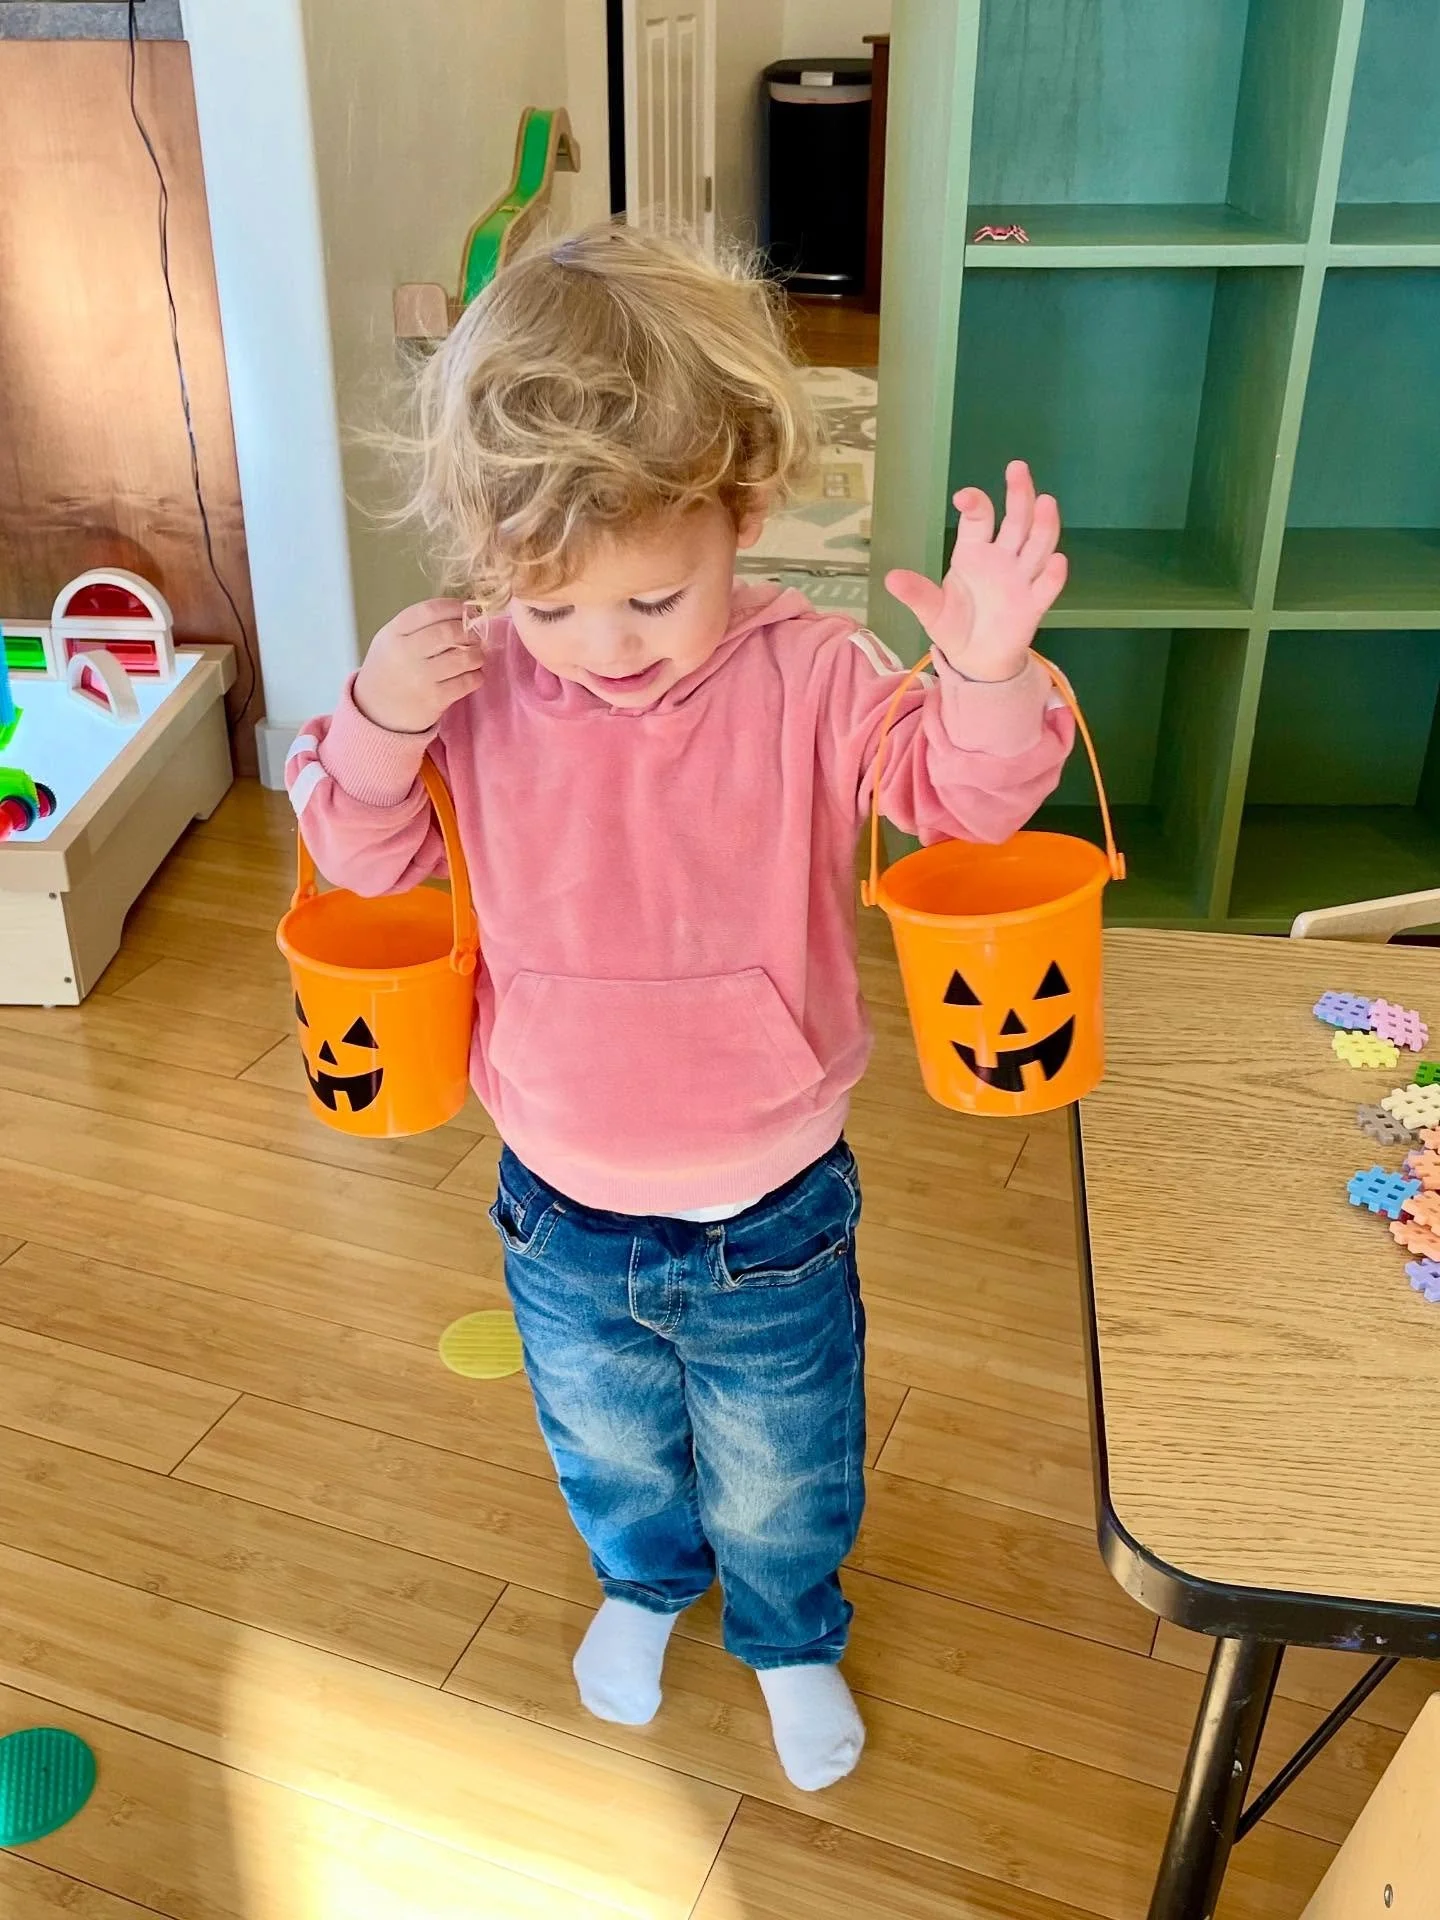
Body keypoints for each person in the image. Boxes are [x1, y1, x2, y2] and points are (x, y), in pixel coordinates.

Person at [286, 223, 1073, 1791]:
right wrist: (376, 721)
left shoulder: (813, 673)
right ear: (493, 562)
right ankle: (646, 1583)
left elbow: (964, 805)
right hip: (554, 1202)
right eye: (554, 607)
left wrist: (984, 674)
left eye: (654, 600)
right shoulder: (479, 681)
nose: (603, 653)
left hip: (768, 1204)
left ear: (746, 514)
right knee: (610, 1446)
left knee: (785, 1472)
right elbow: (362, 858)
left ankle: (788, 1630)